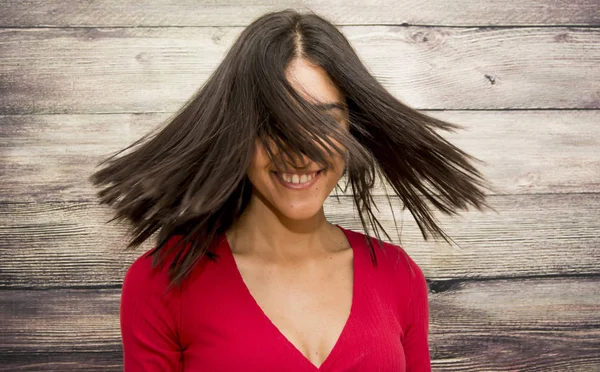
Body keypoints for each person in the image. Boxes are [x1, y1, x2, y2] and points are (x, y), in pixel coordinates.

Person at [89, 8, 491, 372]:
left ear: (353, 128)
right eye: (274, 123)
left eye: (324, 122)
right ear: (236, 131)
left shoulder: (398, 276)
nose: (300, 153)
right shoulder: (161, 283)